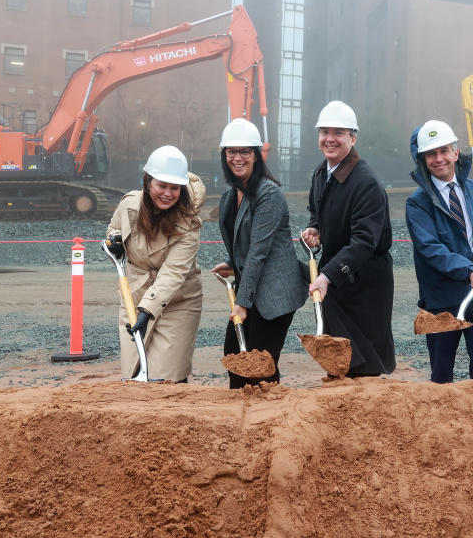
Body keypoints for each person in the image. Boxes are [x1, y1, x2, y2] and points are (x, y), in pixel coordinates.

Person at [405, 120, 473, 383]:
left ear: (456, 153)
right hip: (441, 300)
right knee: (442, 377)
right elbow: (430, 248)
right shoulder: (417, 203)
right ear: (423, 158)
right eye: (431, 153)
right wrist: (468, 270)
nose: (438, 159)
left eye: (444, 151)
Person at [299, 101, 395, 378]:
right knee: (340, 360)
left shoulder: (365, 183)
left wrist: (327, 276)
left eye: (338, 133)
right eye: (324, 132)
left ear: (352, 138)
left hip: (365, 285)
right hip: (336, 279)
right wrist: (315, 228)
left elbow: (364, 241)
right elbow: (316, 211)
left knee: (365, 362)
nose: (330, 139)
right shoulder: (321, 173)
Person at [210, 119, 308, 388]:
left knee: (259, 365)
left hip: (275, 292)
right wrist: (232, 264)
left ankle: (268, 421)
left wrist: (241, 304)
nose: (237, 158)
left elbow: (258, 251)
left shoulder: (269, 193)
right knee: (234, 355)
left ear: (256, 155)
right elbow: (246, 244)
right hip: (251, 284)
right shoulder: (231, 193)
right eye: (232, 151)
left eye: (245, 152)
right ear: (224, 154)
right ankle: (243, 418)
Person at [106, 145, 205, 383]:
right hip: (135, 294)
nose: (168, 193)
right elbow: (113, 228)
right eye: (161, 185)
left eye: (174, 188)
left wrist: (148, 311)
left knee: (166, 377)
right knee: (133, 372)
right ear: (148, 181)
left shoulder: (189, 225)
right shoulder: (129, 205)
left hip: (177, 302)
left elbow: (173, 273)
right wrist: (114, 241)